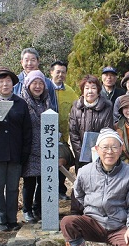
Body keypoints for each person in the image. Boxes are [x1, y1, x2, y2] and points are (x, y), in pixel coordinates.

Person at [60, 128, 129, 246]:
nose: (109, 152)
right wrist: (91, 210)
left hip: (117, 225)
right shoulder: (85, 172)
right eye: (105, 147)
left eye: (114, 147)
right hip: (93, 223)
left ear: (121, 150)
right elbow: (79, 195)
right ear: (97, 149)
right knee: (67, 222)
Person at [0, 67, 32, 232]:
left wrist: (25, 152)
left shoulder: (20, 103)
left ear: (13, 84)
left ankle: (12, 218)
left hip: (15, 152)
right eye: (1, 82)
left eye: (8, 81)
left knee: (12, 187)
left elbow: (27, 130)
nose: (5, 85)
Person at [69, 74, 113, 214]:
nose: (90, 91)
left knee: (99, 181)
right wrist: (80, 152)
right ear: (82, 90)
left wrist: (99, 152)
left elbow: (107, 130)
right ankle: (77, 210)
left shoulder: (107, 106)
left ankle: (96, 211)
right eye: (87, 88)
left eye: (93, 88)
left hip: (100, 152)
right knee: (80, 181)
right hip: (80, 153)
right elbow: (73, 132)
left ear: (98, 90)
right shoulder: (76, 106)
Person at [20, 70, 52, 223]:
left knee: (44, 180)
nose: (38, 86)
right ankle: (27, 210)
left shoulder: (47, 101)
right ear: (28, 85)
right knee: (29, 180)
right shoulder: (22, 102)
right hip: (29, 147)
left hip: (46, 147)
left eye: (40, 83)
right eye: (34, 83)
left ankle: (38, 208)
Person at [49, 60, 78, 201]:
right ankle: (47, 195)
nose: (61, 75)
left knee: (63, 161)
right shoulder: (45, 88)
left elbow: (76, 109)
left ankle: (60, 191)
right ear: (51, 72)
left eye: (63, 72)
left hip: (63, 136)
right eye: (58, 72)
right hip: (46, 135)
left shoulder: (70, 91)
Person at [13, 47, 58, 112]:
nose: (29, 63)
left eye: (33, 60)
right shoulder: (15, 82)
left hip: (44, 121)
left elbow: (53, 109)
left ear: (38, 62)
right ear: (21, 62)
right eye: (26, 60)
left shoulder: (47, 82)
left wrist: (49, 122)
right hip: (20, 120)